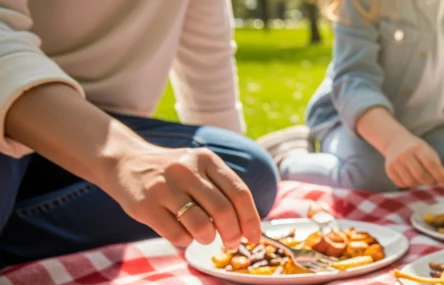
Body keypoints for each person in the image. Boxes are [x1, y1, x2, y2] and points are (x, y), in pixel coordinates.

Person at [0, 1, 278, 267]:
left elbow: (209, 75)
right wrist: (122, 158)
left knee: (247, 171)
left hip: (109, 138)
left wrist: (223, 191)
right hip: (16, 112)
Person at [280, 0, 444, 192]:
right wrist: (393, 140)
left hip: (430, 126)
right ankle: (288, 156)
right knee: (374, 176)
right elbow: (354, 79)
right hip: (356, 123)